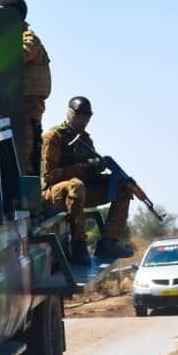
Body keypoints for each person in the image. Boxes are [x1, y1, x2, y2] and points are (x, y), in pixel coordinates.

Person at [41, 96, 134, 264]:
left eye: (87, 117)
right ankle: (78, 244)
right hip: (53, 193)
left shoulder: (85, 139)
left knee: (123, 186)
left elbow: (90, 173)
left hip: (80, 192)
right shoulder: (53, 136)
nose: (83, 120)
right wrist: (84, 167)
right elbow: (48, 177)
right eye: (79, 115)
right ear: (69, 113)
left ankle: (108, 242)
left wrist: (101, 169)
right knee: (76, 185)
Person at [0, 0, 50, 176]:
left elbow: (17, 56)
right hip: (9, 108)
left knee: (25, 160)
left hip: (26, 110)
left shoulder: (28, 38)